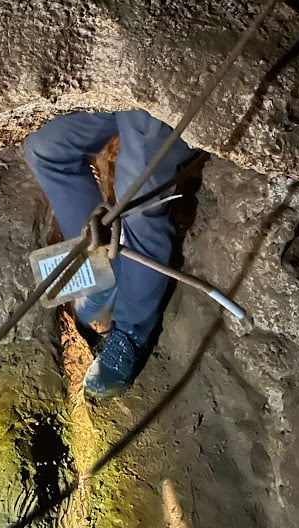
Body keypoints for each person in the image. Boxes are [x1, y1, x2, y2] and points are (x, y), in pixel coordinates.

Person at [23, 109, 191, 399]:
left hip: (162, 94)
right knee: (46, 150)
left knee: (137, 199)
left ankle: (131, 333)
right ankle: (101, 266)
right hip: (125, 92)